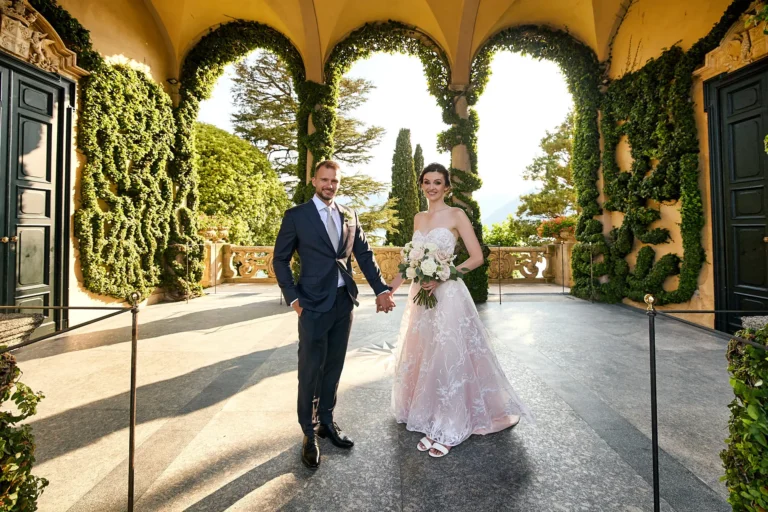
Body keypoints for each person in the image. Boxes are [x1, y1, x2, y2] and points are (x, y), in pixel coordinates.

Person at [388, 162, 532, 458]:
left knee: (448, 356)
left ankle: (451, 424)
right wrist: (389, 289)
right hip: (421, 296)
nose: (431, 187)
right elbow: (411, 260)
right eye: (427, 181)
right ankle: (430, 418)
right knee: (426, 355)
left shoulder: (456, 214)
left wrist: (444, 274)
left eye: (437, 182)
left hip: (448, 295)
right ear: (421, 184)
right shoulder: (418, 217)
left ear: (446, 186)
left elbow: (477, 256)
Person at [273, 160, 396, 470]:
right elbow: (280, 260)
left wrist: (381, 289)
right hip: (311, 305)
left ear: (339, 183)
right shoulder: (297, 216)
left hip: (344, 302)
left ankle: (327, 421)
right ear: (315, 181)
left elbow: (365, 255)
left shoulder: (350, 215)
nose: (329, 185)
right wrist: (295, 300)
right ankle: (308, 432)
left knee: (334, 367)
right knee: (311, 370)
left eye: (334, 181)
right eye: (324, 179)